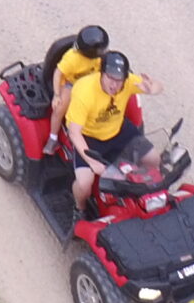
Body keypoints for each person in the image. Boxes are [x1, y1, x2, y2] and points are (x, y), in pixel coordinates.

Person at [63, 51, 156, 211]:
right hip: (89, 137)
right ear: (101, 73)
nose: (114, 85)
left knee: (154, 159)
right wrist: (92, 162)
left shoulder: (127, 83)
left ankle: (149, 195)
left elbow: (157, 87)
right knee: (84, 184)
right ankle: (80, 209)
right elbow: (74, 133)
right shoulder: (84, 92)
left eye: (119, 80)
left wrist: (152, 87)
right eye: (110, 78)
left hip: (118, 131)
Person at [42, 24, 110, 146]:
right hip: (72, 84)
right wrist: (57, 95)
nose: (104, 52)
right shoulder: (72, 59)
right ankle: (53, 137)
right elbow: (58, 73)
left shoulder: (101, 56)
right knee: (59, 108)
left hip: (92, 82)